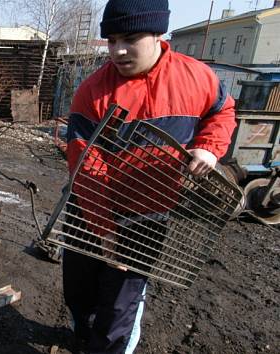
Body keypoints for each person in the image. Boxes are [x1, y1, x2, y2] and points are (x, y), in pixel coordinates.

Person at [63, 0, 237, 353]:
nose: (118, 50)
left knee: (118, 311)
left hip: (146, 216)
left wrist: (208, 147)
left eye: (130, 38)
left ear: (159, 33)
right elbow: (87, 166)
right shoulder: (93, 92)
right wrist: (104, 229)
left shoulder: (196, 78)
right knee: (79, 294)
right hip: (90, 209)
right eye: (111, 40)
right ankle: (82, 336)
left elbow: (222, 112)